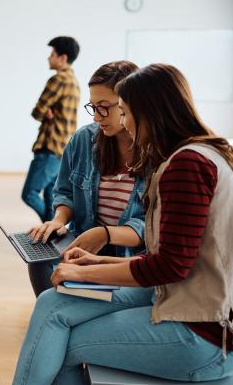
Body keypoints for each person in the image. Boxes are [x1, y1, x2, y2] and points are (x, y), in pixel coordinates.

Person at [9, 63, 233, 385]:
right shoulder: (199, 154)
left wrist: (86, 272)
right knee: (50, 305)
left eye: (126, 111)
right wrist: (95, 263)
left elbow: (168, 266)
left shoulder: (186, 164)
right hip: (185, 304)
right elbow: (170, 261)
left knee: (61, 343)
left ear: (149, 112)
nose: (126, 123)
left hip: (206, 334)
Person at [27, 61, 146, 293]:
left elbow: (151, 227)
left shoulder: (154, 151)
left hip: (130, 255)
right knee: (39, 260)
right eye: (93, 107)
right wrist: (59, 220)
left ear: (128, 104)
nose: (96, 117)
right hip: (83, 244)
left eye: (104, 107)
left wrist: (106, 235)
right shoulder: (84, 139)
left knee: (60, 310)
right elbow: (65, 192)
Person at [22, 36, 80, 222]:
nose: (49, 58)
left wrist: (45, 111)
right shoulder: (74, 81)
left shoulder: (58, 80)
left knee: (29, 193)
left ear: (62, 58)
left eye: (52, 54)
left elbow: (37, 111)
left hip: (49, 147)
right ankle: (50, 238)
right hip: (62, 150)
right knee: (50, 198)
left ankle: (50, 229)